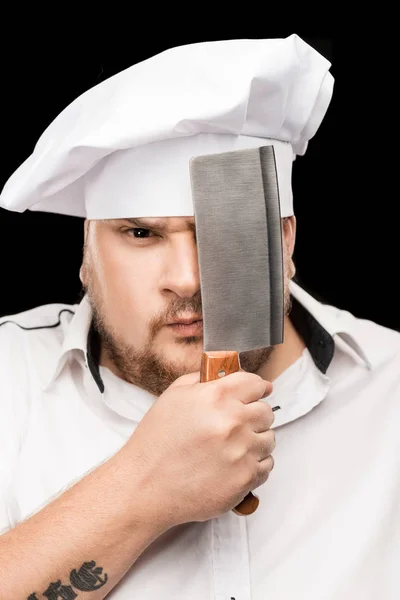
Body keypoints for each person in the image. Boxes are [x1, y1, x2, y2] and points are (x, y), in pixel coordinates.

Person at [0, 34, 398, 600]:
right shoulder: (7, 378)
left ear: (284, 241)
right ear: (87, 255)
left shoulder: (393, 386)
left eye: (221, 231)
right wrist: (141, 487)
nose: (187, 278)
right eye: (141, 233)